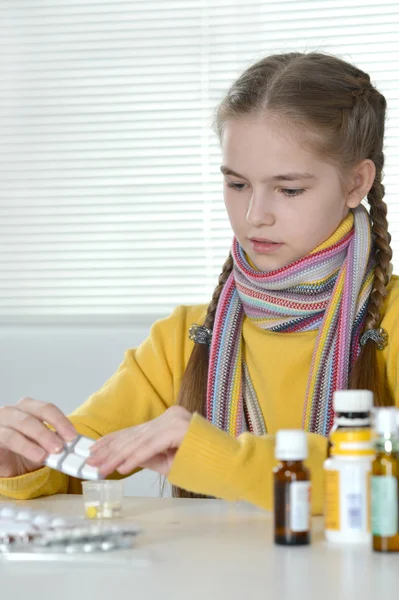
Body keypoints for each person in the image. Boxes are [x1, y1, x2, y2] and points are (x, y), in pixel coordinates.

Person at [1, 51, 398, 515]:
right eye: (237, 184)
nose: (255, 216)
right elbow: (77, 464)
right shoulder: (183, 339)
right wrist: (20, 462)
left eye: (289, 189)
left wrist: (225, 460)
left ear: (356, 183)